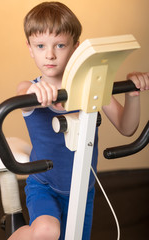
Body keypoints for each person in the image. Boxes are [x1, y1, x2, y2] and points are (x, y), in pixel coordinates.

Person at [8, 2, 149, 240]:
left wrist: (132, 95)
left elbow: (127, 128)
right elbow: (25, 97)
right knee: (47, 231)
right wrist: (37, 93)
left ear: (76, 47)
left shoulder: (92, 88)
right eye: (41, 46)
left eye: (60, 45)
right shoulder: (30, 89)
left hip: (83, 190)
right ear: (30, 48)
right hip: (44, 186)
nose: (50, 54)